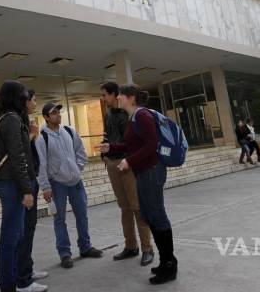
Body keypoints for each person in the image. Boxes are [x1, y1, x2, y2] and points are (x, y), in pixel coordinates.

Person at [96, 85, 178, 285]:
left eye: (121, 96)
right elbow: (133, 145)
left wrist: (129, 161)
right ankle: (165, 262)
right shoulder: (134, 117)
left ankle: (169, 265)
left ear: (130, 98)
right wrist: (112, 147)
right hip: (143, 172)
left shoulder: (142, 116)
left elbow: (152, 145)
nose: (118, 98)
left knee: (157, 217)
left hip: (152, 171)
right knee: (150, 216)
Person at [36, 102, 103, 269]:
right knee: (60, 219)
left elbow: (81, 152)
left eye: (58, 112)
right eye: (53, 113)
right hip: (57, 184)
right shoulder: (42, 138)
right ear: (46, 117)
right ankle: (65, 253)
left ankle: (85, 247)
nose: (58, 115)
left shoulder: (70, 131)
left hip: (76, 182)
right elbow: (41, 165)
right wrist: (45, 187)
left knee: (82, 215)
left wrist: (76, 169)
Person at [0, 81, 35, 292]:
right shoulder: (12, 120)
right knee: (10, 237)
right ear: (15, 97)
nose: (26, 99)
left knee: (16, 235)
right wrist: (26, 190)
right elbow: (17, 157)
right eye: (23, 95)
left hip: (6, 182)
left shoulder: (2, 119)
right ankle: (7, 285)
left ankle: (14, 280)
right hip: (12, 184)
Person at [100, 82, 154, 266]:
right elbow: (108, 135)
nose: (103, 98)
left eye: (105, 95)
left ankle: (147, 248)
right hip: (113, 163)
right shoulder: (108, 114)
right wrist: (106, 150)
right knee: (124, 207)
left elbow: (134, 143)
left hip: (128, 163)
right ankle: (131, 246)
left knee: (136, 206)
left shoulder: (129, 114)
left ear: (115, 94)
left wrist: (125, 157)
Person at [16, 90, 48, 292]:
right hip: (24, 183)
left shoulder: (23, 121)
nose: (35, 103)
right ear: (25, 101)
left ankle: (27, 269)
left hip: (31, 178)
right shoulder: (15, 122)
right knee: (24, 230)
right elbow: (17, 154)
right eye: (33, 100)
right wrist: (30, 135)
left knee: (30, 228)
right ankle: (23, 279)